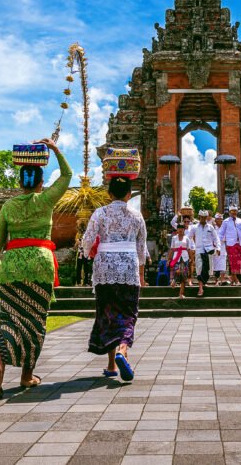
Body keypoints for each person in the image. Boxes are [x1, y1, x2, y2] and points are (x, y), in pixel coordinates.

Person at [0, 138, 71, 399]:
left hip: (11, 267)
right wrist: (55, 149)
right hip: (40, 265)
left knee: (8, 319)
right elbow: (67, 175)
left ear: (20, 182)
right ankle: (26, 375)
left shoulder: (9, 206)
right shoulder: (45, 200)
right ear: (41, 182)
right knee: (35, 321)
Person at [82, 160, 148, 382]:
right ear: (130, 194)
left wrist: (88, 253)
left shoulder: (100, 213)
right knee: (128, 314)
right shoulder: (137, 216)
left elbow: (87, 240)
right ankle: (121, 351)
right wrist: (141, 273)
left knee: (108, 313)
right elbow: (141, 248)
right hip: (128, 267)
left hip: (104, 268)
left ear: (109, 193)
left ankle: (112, 364)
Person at [187, 210, 221, 297]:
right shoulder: (194, 227)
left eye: (205, 217)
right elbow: (189, 238)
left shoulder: (210, 227)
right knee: (199, 269)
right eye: (202, 217)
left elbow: (216, 238)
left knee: (207, 269)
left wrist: (218, 248)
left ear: (207, 217)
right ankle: (200, 288)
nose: (203, 219)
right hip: (199, 250)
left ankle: (203, 283)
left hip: (208, 250)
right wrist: (192, 247)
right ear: (199, 217)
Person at [168, 222, 192, 297]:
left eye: (182, 228)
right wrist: (169, 259)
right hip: (176, 257)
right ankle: (175, 280)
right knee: (177, 270)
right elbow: (172, 249)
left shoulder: (187, 238)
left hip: (185, 257)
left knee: (184, 274)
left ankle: (181, 293)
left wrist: (191, 258)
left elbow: (189, 249)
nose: (180, 230)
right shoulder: (174, 238)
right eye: (179, 228)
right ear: (177, 229)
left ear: (184, 229)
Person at [211, 212, 228, 284]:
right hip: (215, 248)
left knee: (223, 264)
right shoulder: (213, 229)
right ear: (215, 220)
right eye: (219, 219)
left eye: (221, 219)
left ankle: (223, 279)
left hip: (223, 247)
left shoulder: (225, 229)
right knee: (216, 264)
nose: (220, 221)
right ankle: (216, 280)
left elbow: (227, 238)